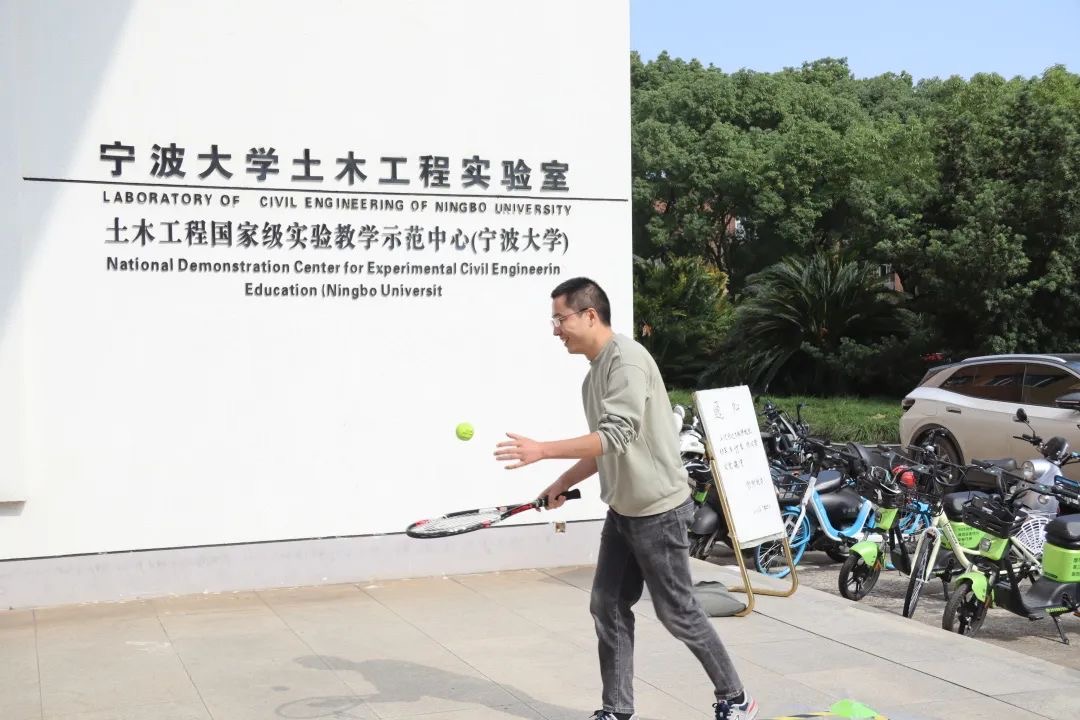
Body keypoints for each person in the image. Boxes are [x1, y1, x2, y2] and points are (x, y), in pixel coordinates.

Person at [494, 277, 758, 720]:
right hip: (623, 512)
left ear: (589, 315)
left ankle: (737, 698)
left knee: (678, 613)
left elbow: (616, 434)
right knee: (608, 605)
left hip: (658, 511)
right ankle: (616, 710)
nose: (556, 329)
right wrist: (561, 482)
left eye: (560, 319)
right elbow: (606, 447)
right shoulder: (593, 377)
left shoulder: (628, 361)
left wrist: (542, 449)